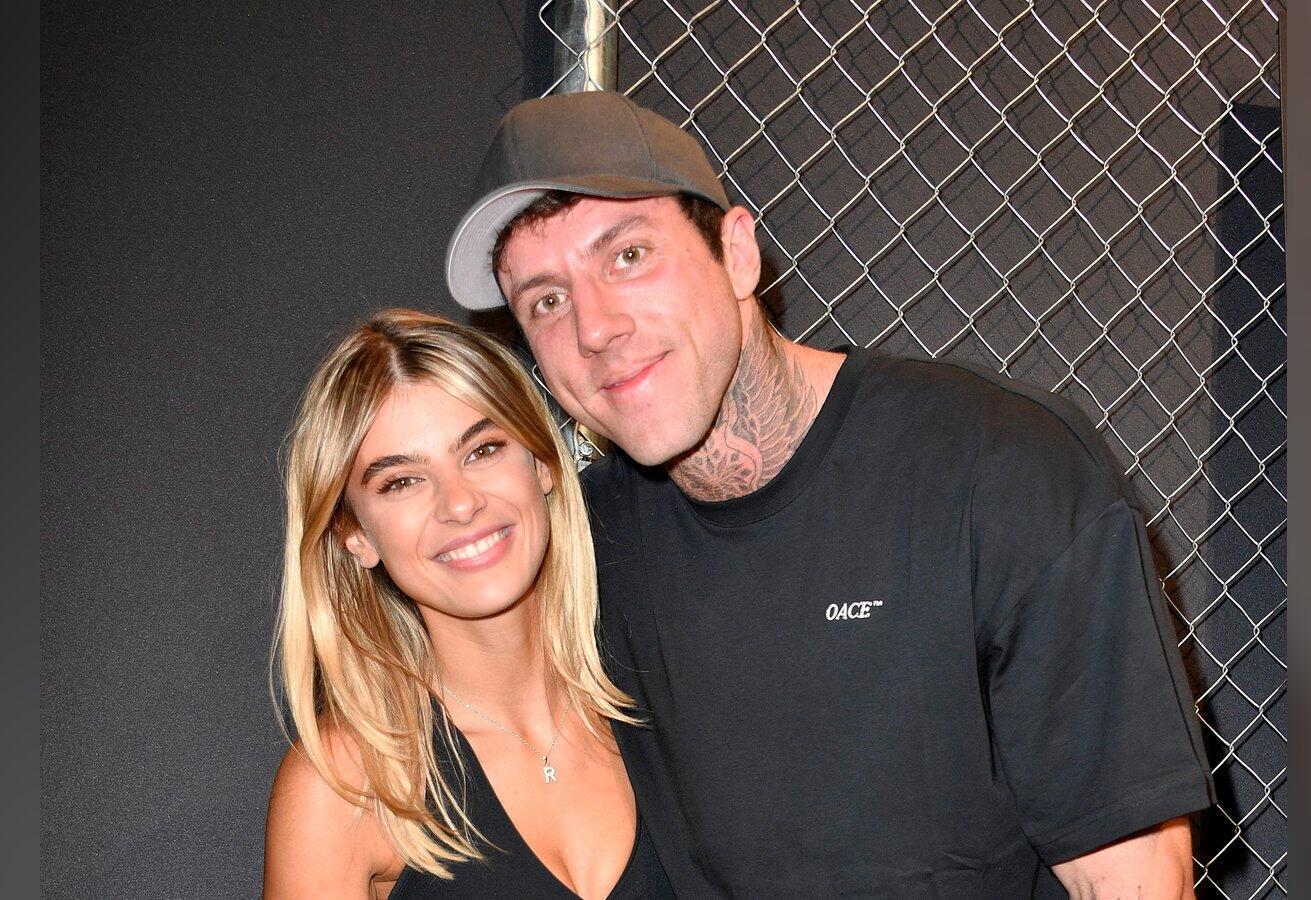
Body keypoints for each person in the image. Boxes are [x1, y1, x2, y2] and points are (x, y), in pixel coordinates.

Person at [444, 90, 1216, 898]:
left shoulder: (999, 467)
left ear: (737, 254)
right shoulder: (577, 549)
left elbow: (1133, 878)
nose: (594, 328)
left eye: (629, 256)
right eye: (546, 300)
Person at [263, 309, 673, 899]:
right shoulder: (346, 785)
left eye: (482, 450)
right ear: (356, 535)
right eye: (401, 482)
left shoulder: (663, 693)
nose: (459, 503)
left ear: (541, 463)